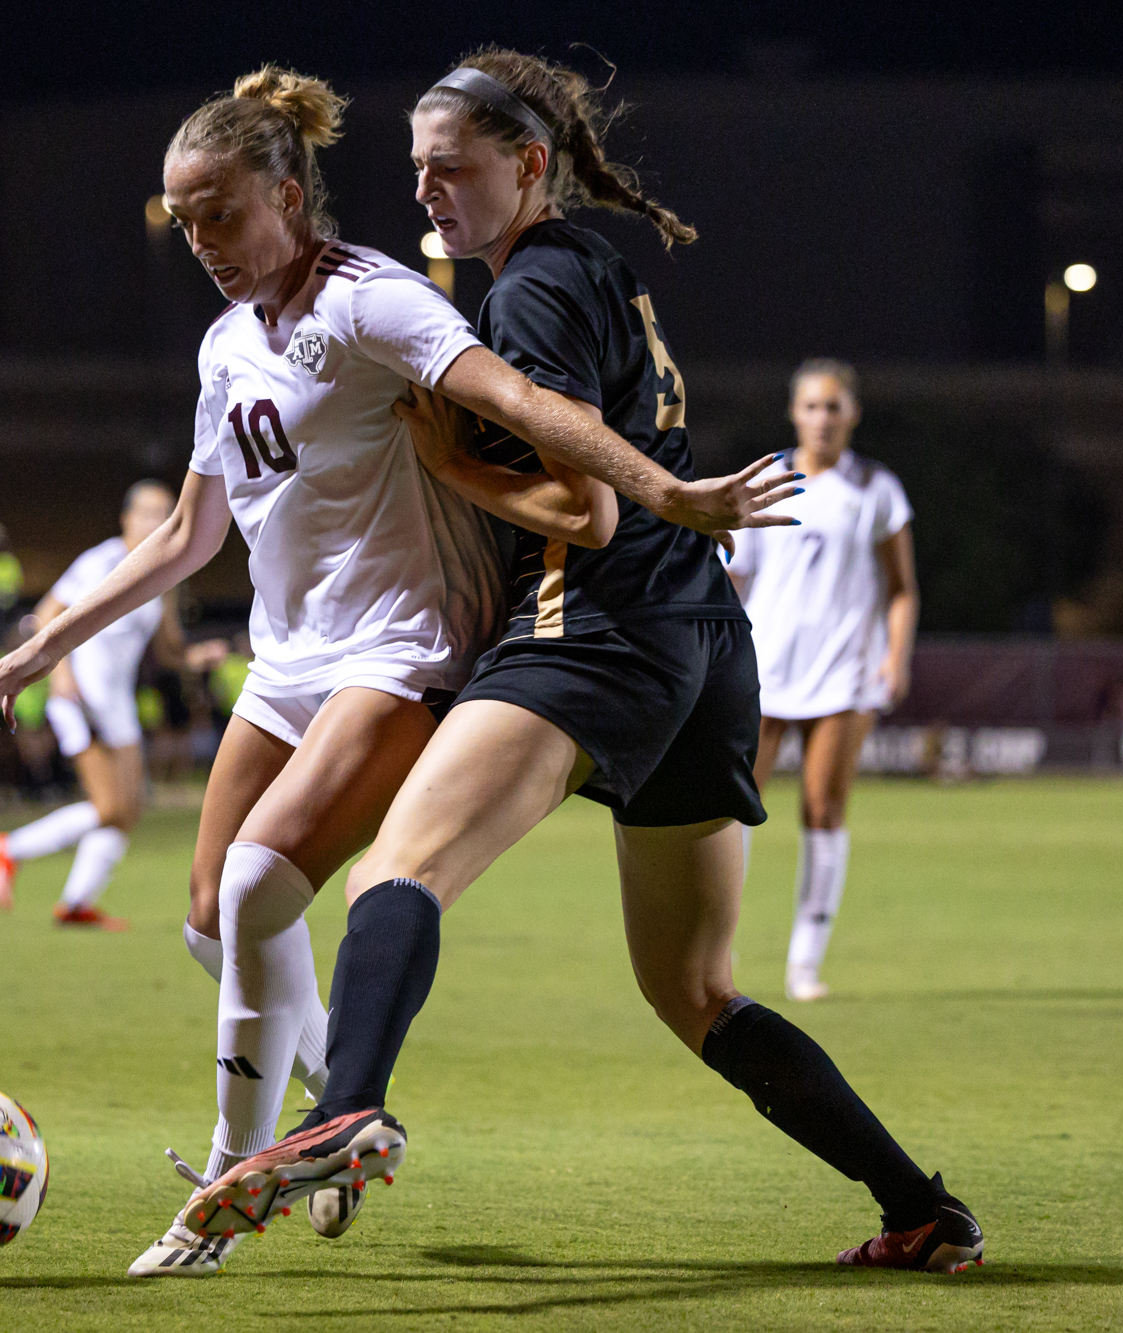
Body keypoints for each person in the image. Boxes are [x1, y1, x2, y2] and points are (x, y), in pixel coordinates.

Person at [174, 50, 982, 1276]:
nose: (428, 194)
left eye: (453, 170)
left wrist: (452, 467)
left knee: (394, 871)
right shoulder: (598, 268)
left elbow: (580, 509)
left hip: (590, 629)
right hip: (704, 644)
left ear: (530, 165)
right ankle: (920, 1208)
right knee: (693, 988)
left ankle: (347, 1110)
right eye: (415, 173)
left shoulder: (527, 294)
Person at [0, 64, 779, 1280]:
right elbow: (190, 537)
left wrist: (659, 488)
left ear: (290, 197)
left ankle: (225, 1189)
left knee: (255, 887)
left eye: (221, 215)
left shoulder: (375, 301)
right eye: (181, 219)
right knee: (210, 915)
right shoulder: (224, 344)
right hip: (289, 659)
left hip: (405, 645)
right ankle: (335, 1107)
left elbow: (518, 398)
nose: (200, 241)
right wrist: (45, 641)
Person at [724, 359, 920, 1003]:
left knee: (823, 810)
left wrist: (895, 657)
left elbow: (901, 589)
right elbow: (735, 578)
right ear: (794, 412)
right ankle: (714, 949)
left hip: (843, 672)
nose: (823, 418)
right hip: (765, 667)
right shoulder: (770, 480)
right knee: (733, 811)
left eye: (835, 407)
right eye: (812, 406)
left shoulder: (876, 489)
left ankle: (804, 962)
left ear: (853, 414)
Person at [0, 480, 184, 928]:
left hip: (117, 703)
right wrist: (62, 671)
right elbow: (47, 611)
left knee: (128, 810)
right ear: (126, 518)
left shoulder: (165, 570)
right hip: (81, 696)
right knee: (112, 807)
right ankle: (8, 849)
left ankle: (75, 903)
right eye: (146, 512)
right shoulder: (103, 560)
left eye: (164, 512)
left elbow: (168, 648)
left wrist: (197, 657)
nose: (156, 521)